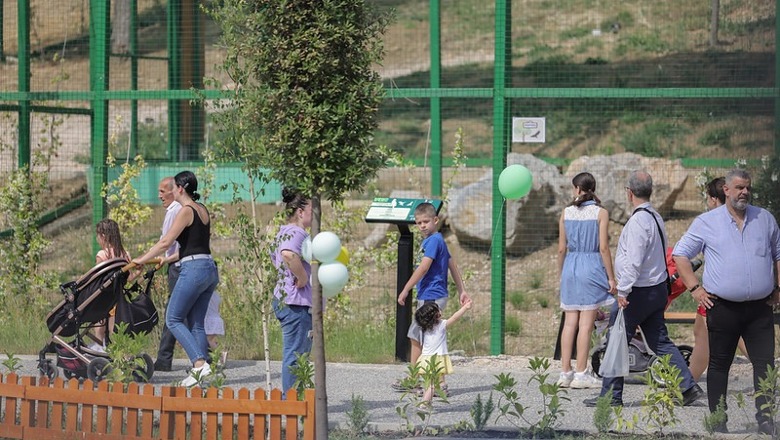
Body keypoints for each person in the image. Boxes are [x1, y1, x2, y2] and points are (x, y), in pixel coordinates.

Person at [673, 169, 780, 435]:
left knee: (765, 363)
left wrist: (778, 287)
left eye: (748, 188)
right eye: (739, 188)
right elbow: (680, 255)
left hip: (760, 307)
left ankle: (765, 419)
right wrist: (695, 288)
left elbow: (778, 254)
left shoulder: (764, 219)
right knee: (720, 364)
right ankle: (719, 420)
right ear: (727, 191)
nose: (744, 192)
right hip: (722, 307)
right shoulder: (707, 222)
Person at [584, 170, 703, 407]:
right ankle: (687, 386)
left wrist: (623, 292)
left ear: (629, 193)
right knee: (660, 341)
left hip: (638, 292)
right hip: (657, 289)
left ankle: (610, 396)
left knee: (616, 339)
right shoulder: (655, 217)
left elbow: (633, 261)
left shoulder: (638, 221)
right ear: (650, 191)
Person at [133, 171, 219, 387]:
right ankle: (202, 373)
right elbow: (194, 245)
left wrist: (141, 260)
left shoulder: (186, 210)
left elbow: (165, 241)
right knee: (197, 323)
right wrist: (165, 258)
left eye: (173, 187)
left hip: (194, 269)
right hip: (209, 268)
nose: (170, 191)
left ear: (181, 189)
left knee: (173, 319)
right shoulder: (202, 210)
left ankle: (199, 364)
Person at [394, 202, 471, 391]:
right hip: (432, 296)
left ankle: (415, 380)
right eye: (418, 222)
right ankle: (439, 383)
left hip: (431, 296)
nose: (422, 226)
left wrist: (406, 288)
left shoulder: (434, 241)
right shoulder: (436, 241)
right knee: (431, 337)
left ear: (435, 220)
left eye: (426, 221)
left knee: (416, 336)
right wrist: (462, 290)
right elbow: (452, 265)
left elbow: (424, 267)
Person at [680, 177, 748, 381]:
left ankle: (687, 384)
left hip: (716, 295)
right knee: (703, 336)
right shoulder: (743, 218)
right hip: (736, 291)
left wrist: (695, 288)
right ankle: (688, 382)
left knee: (706, 341)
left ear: (712, 199)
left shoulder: (709, 223)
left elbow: (682, 254)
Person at [557, 172, 616, 389]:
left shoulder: (565, 213)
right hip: (591, 267)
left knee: (569, 323)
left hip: (571, 267)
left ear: (577, 189)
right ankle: (581, 374)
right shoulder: (601, 213)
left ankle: (565, 372)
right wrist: (611, 277)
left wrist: (561, 272)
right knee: (586, 325)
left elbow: (562, 248)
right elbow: (603, 247)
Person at [271, 188, 313, 398]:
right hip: (295, 303)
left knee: (295, 353)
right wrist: (303, 278)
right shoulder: (297, 233)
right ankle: (291, 401)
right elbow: (288, 254)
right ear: (300, 212)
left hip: (284, 299)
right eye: (311, 209)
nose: (313, 214)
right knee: (296, 354)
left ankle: (295, 398)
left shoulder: (283, 231)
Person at [414, 298, 472, 403]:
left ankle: (430, 398)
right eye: (438, 310)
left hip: (425, 359)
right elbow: (455, 318)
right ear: (436, 315)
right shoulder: (441, 325)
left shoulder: (424, 328)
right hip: (436, 359)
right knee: (431, 386)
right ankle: (424, 404)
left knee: (429, 384)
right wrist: (465, 308)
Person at [153, 176, 182, 372]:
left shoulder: (175, 212)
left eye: (163, 191)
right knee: (184, 314)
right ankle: (207, 357)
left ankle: (164, 359)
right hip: (175, 265)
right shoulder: (174, 211)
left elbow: (166, 243)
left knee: (174, 314)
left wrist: (149, 257)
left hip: (178, 266)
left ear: (174, 191)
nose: (159, 195)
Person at [90, 218, 132, 353]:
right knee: (114, 327)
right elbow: (129, 278)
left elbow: (97, 279)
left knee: (98, 310)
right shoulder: (125, 254)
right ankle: (118, 349)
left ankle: (98, 343)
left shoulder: (102, 255)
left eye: (98, 236)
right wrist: (139, 273)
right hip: (118, 296)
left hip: (104, 296)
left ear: (102, 236)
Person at [205, 291, 227, 365]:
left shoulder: (206, 294)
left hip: (209, 320)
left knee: (209, 341)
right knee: (212, 340)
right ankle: (217, 358)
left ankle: (221, 355)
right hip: (216, 319)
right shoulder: (216, 295)